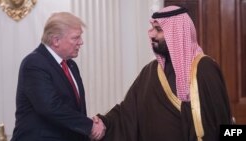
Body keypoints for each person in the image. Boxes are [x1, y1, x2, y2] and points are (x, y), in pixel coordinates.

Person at [95, 5, 232, 141]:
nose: (152, 34)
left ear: (177, 34)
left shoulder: (204, 68)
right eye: (153, 29)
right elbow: (127, 113)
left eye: (159, 30)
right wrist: (104, 123)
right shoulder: (150, 71)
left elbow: (221, 120)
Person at [11, 12, 105, 141]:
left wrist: (88, 126)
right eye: (75, 38)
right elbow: (51, 107)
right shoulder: (34, 63)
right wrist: (89, 126)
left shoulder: (71, 65)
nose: (81, 42)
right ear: (56, 40)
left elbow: (74, 109)